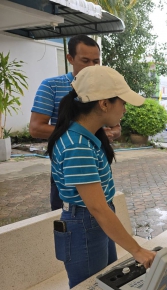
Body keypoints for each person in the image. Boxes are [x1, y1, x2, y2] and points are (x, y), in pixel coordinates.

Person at [47, 65, 156, 290]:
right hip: (84, 225)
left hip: (94, 224)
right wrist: (136, 250)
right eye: (122, 103)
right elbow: (96, 207)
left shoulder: (86, 136)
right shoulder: (77, 145)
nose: (125, 109)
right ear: (105, 104)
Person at [30, 35, 121, 211]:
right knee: (71, 218)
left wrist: (112, 132)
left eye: (96, 61)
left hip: (98, 163)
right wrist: (82, 134)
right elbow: (36, 128)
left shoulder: (104, 88)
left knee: (103, 211)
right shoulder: (51, 86)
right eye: (85, 61)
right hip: (69, 166)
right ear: (70, 59)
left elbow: (116, 125)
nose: (92, 67)